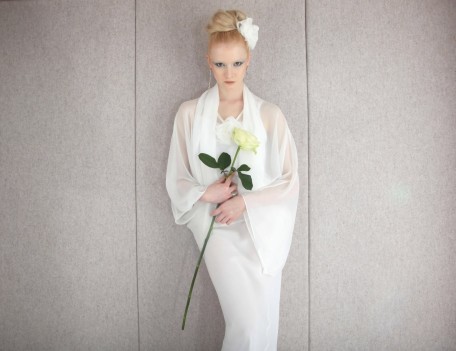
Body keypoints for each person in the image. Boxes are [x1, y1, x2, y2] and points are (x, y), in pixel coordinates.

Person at [166, 9, 299, 351]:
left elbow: (289, 182)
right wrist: (205, 192)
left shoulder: (270, 115)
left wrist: (245, 202)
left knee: (263, 323)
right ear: (208, 61)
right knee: (248, 322)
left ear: (249, 60)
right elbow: (176, 178)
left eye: (237, 64)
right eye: (221, 64)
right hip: (215, 226)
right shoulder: (189, 114)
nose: (229, 73)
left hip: (260, 231)